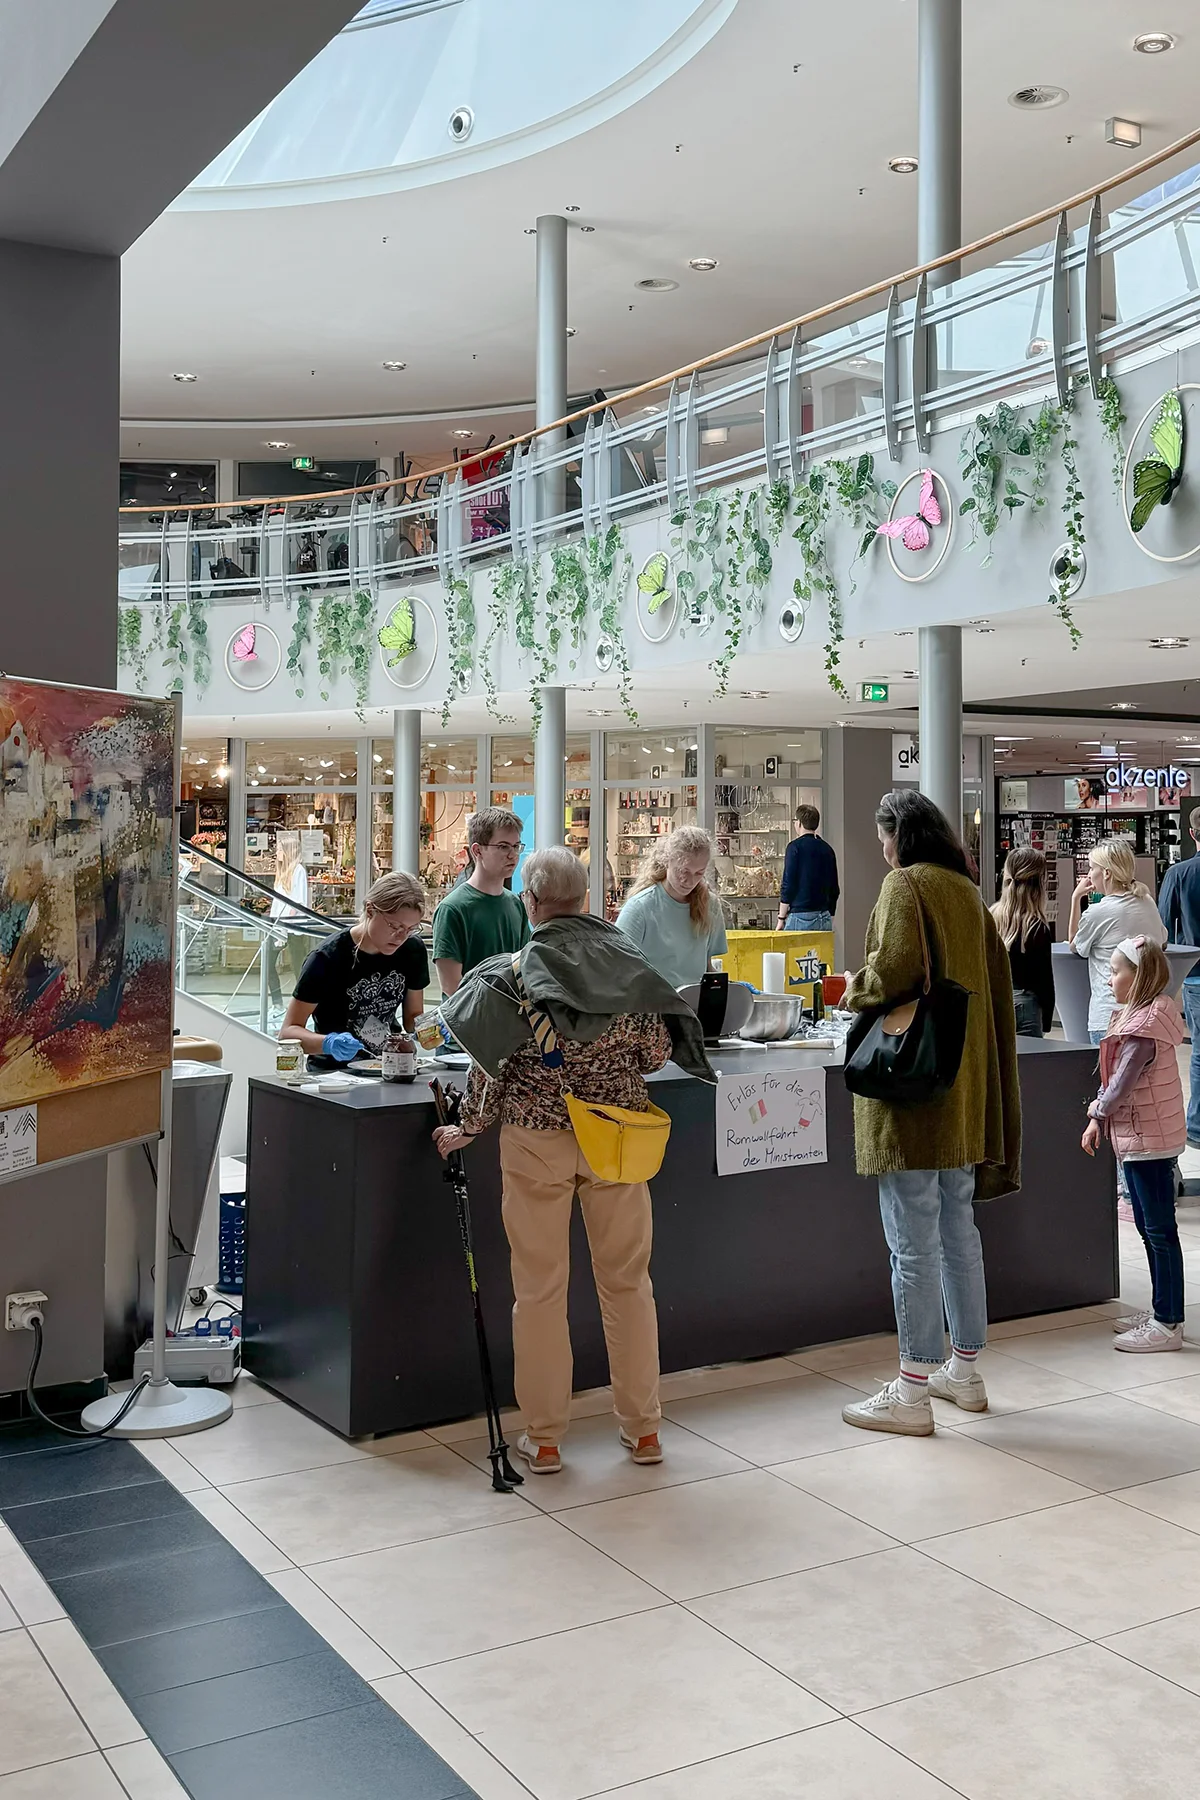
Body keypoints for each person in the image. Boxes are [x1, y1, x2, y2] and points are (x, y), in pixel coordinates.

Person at [433, 846, 715, 1474]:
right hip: (616, 1139)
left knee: (538, 1291)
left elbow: (491, 1066)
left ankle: (547, 1437)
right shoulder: (628, 964)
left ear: (530, 903)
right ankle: (643, 1430)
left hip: (537, 1140)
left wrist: (469, 1126)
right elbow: (651, 1053)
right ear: (586, 900)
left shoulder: (508, 973)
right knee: (628, 1285)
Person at [840, 790, 1021, 1438]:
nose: (882, 849)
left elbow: (891, 970)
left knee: (910, 1245)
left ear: (900, 836)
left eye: (883, 837)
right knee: (958, 1234)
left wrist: (852, 987)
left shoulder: (905, 885)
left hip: (914, 1096)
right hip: (965, 1092)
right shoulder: (968, 893)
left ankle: (912, 1390)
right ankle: (963, 1373)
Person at [1082, 936, 1186, 1352]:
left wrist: (1095, 1117)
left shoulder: (1144, 1028)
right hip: (1143, 1137)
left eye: (1115, 971)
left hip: (1150, 1140)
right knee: (1149, 1227)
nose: (1109, 980)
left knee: (1159, 1230)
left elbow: (1121, 1085)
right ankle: (1164, 1309)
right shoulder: (1144, 1016)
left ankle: (1168, 1322)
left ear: (1138, 975)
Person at [280, 870, 428, 1069]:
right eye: (394, 926)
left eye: (411, 929)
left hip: (389, 1065)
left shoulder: (412, 950)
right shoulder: (326, 958)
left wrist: (430, 1028)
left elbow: (412, 1018)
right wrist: (327, 1043)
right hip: (334, 1074)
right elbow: (288, 1032)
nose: (401, 937)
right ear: (370, 910)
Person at [1069, 839, 1166, 1045]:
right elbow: (1162, 939)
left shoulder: (1098, 912)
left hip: (1108, 1014)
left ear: (1106, 873)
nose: (1089, 874)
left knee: (1108, 1076)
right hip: (1144, 1013)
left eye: (1092, 867)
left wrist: (1075, 899)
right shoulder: (1147, 902)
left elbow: (1075, 945)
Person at [433, 807, 529, 997]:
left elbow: (523, 969)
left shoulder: (516, 904)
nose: (512, 855)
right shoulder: (452, 909)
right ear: (477, 850)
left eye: (516, 846)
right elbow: (451, 987)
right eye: (503, 846)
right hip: (468, 1022)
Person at [616, 825, 727, 989]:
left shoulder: (711, 905)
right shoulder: (640, 908)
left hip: (694, 1005)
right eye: (683, 871)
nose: (689, 881)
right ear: (666, 861)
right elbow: (616, 967)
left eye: (699, 873)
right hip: (651, 1005)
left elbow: (708, 966)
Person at [1157, 804, 1200, 1148]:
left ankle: (1197, 1124)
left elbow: (1162, 926)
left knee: (1199, 1050)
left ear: (1191, 833)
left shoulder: (1179, 874)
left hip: (1196, 973)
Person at [991, 847, 1055, 1037]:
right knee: (1027, 1066)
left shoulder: (990, 917)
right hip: (1026, 1006)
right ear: (1040, 884)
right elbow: (1044, 981)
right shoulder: (1036, 927)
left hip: (995, 1003)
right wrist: (1047, 1021)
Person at [777, 804, 839, 932]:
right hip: (824, 915)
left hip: (800, 915)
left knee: (795, 952)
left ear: (799, 823)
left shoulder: (794, 847)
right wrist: (831, 914)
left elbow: (788, 884)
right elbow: (834, 888)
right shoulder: (827, 849)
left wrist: (781, 918)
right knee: (821, 952)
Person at [266, 835, 310, 1008]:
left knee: (298, 966)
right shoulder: (282, 872)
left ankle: (303, 1004)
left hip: (292, 926)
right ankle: (277, 1003)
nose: (277, 853)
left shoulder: (298, 870)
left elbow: (298, 901)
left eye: (279, 849)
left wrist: (287, 920)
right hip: (278, 925)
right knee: (268, 964)